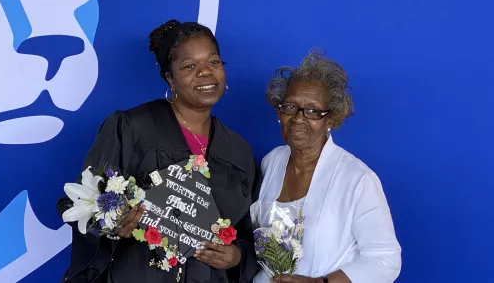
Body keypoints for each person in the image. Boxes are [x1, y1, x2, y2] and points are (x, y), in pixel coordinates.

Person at [57, 20, 261, 283]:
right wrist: (113, 225)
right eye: (189, 66)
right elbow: (80, 202)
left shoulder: (238, 150)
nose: (205, 73)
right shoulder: (133, 128)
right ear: (170, 78)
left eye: (214, 62)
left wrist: (237, 256)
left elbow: (247, 232)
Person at [254, 50, 401, 283]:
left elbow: (385, 260)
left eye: (313, 111)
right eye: (290, 107)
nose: (299, 119)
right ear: (279, 112)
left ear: (330, 119)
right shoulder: (272, 161)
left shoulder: (357, 179)